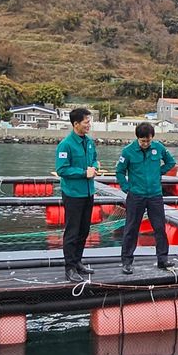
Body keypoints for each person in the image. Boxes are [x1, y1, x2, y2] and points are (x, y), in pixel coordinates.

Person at [116, 122, 176, 274]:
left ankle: (163, 259)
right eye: (143, 141)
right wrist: (126, 187)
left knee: (159, 227)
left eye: (148, 140)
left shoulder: (158, 148)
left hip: (155, 195)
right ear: (138, 138)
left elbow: (171, 162)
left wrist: (159, 172)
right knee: (131, 228)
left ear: (152, 138)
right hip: (136, 195)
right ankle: (127, 261)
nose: (145, 143)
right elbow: (120, 172)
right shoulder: (128, 151)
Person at [55, 108, 98, 283]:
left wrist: (95, 167)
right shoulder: (65, 145)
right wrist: (83, 173)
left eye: (89, 121)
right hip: (73, 194)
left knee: (84, 229)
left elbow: (94, 158)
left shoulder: (89, 142)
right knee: (72, 231)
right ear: (75, 124)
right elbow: (62, 169)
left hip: (88, 192)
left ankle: (78, 261)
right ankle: (69, 268)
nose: (89, 125)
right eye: (86, 122)